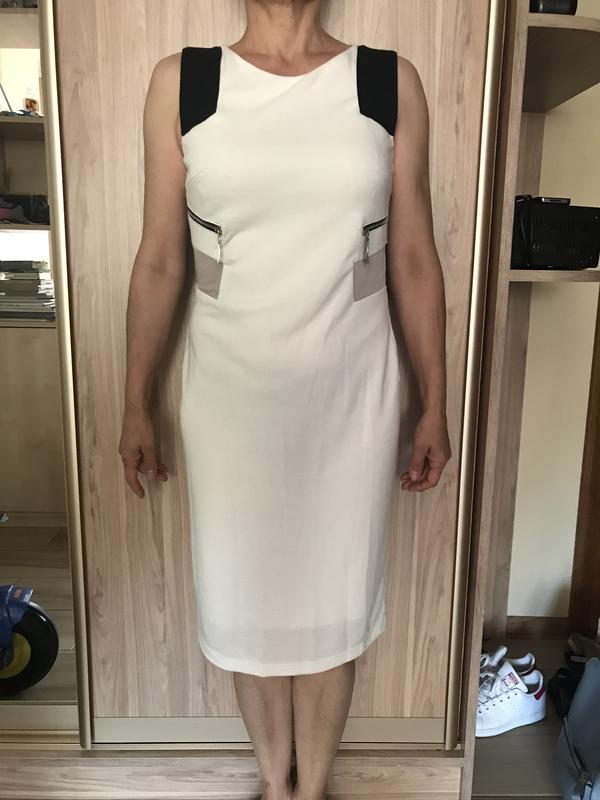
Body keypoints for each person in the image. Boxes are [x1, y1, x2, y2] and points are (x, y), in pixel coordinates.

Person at [119, 1, 451, 798]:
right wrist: (135, 399)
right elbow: (161, 257)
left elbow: (412, 254)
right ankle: (276, 785)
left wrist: (434, 401)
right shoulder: (185, 83)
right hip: (229, 397)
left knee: (335, 606)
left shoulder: (386, 82)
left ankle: (311, 789)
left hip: (352, 394)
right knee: (246, 611)